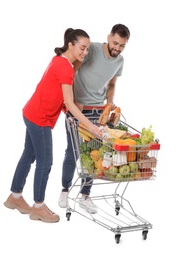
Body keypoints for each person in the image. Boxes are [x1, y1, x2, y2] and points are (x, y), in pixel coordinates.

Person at [4, 28, 102, 223]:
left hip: (32, 112)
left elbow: (57, 94)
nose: (85, 52)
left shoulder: (60, 60)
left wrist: (70, 106)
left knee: (29, 155)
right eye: (82, 48)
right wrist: (91, 126)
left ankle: (14, 197)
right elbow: (69, 102)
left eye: (87, 49)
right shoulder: (65, 67)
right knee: (45, 161)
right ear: (71, 45)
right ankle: (38, 207)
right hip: (40, 118)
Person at [58, 24, 130, 214]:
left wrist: (111, 101)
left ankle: (85, 196)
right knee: (73, 151)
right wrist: (72, 100)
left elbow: (112, 84)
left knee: (93, 154)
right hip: (78, 109)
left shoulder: (119, 61)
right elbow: (72, 71)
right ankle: (65, 190)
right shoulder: (94, 49)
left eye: (122, 45)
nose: (117, 48)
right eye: (115, 43)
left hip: (98, 112)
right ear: (109, 37)